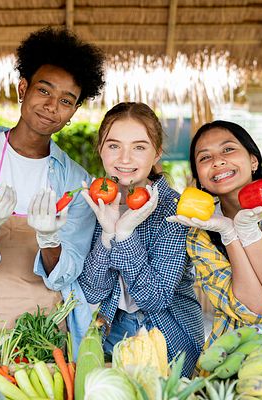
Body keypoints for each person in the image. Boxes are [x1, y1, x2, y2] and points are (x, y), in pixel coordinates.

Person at [0, 27, 105, 352]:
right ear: (23, 88)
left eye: (66, 101)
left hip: (46, 329)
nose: (51, 106)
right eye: (44, 91)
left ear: (73, 112)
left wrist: (49, 240)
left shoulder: (76, 182)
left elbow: (63, 276)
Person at [167, 120, 262, 349]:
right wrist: (229, 233)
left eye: (228, 149)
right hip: (230, 359)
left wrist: (248, 232)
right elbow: (255, 310)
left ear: (253, 160)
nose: (218, 161)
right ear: (199, 178)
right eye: (204, 158)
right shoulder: (198, 232)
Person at [77, 102, 205, 377]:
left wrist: (124, 236)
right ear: (100, 149)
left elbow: (155, 297)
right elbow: (92, 292)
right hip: (110, 327)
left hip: (169, 334)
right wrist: (108, 234)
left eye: (139, 147)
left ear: (156, 153)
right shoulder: (95, 202)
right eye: (113, 146)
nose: (125, 159)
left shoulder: (174, 209)